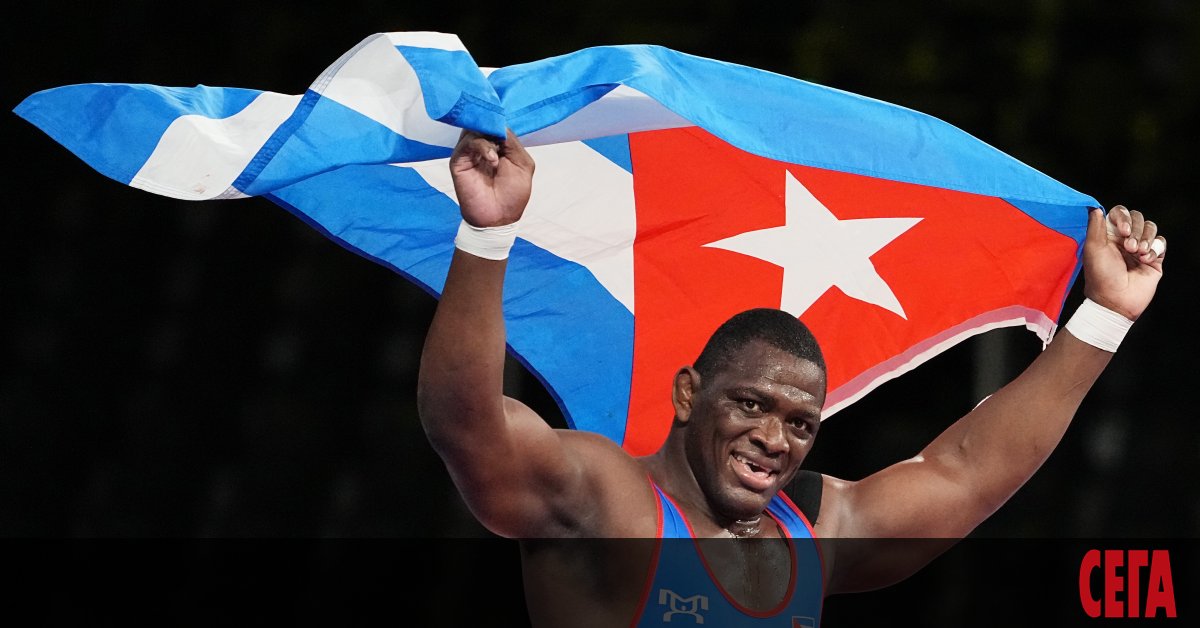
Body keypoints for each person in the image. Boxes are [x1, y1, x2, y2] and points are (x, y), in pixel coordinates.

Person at [416, 129, 1166, 627]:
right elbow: (467, 424)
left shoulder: (813, 531)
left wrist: (1105, 318)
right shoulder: (605, 501)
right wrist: (487, 234)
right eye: (751, 405)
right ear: (688, 394)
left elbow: (966, 473)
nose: (774, 439)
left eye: (801, 423)